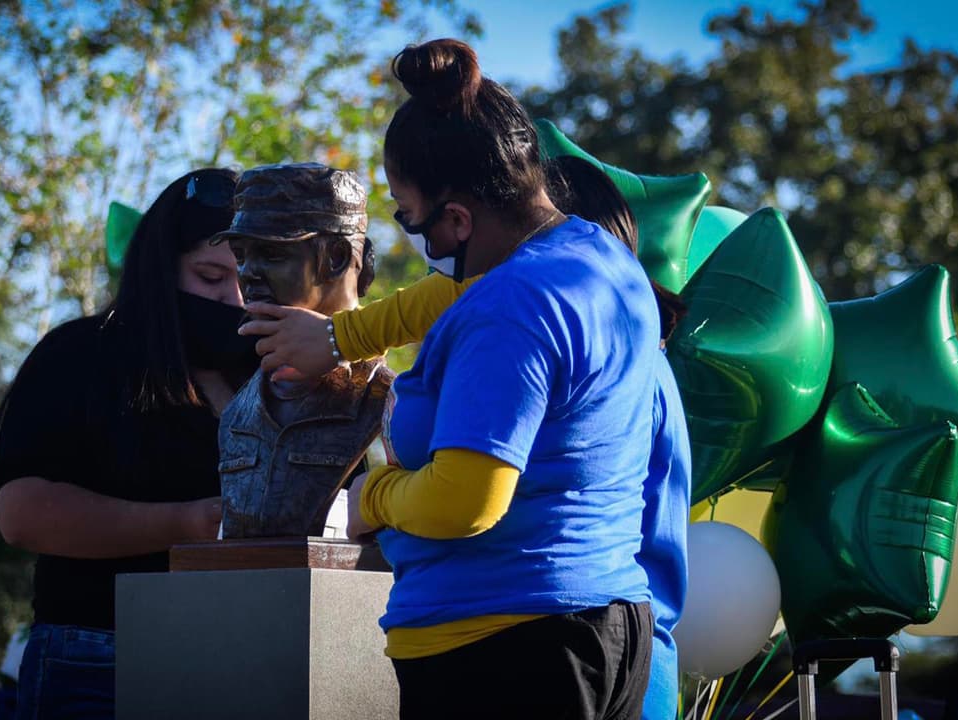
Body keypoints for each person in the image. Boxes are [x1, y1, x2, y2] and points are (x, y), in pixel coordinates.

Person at [251, 39, 662, 718]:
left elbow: (463, 503)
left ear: (458, 217)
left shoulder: (512, 307)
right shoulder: (590, 257)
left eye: (406, 215)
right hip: (598, 625)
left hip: (505, 651)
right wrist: (337, 338)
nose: (414, 238)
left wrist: (373, 498)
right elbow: (449, 297)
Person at [0, 168, 259, 719]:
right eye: (210, 276)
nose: (232, 299)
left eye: (250, 282)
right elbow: (21, 514)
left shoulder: (276, 372)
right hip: (96, 659)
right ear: (160, 270)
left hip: (253, 660)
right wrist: (188, 524)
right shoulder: (82, 355)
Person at [210, 163, 393, 538]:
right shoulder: (238, 414)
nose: (248, 273)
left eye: (273, 255)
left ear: (338, 258)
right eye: (241, 255)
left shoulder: (394, 402)